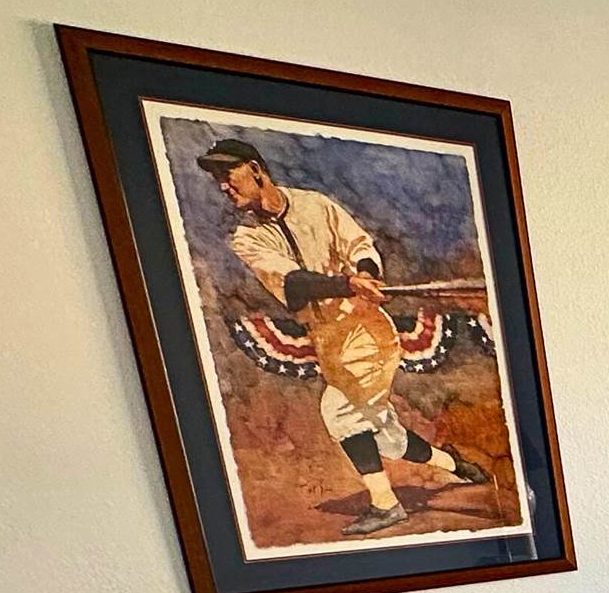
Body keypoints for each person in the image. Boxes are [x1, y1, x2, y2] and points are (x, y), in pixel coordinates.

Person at [197, 137, 492, 536]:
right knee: (386, 438)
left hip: (366, 331)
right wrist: (349, 283)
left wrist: (366, 273)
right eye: (217, 178)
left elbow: (359, 245)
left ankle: (386, 505)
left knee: (339, 412)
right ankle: (454, 464)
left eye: (227, 174)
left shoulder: (314, 205)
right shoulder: (246, 237)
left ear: (255, 169)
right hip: (328, 340)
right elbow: (294, 284)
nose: (223, 186)